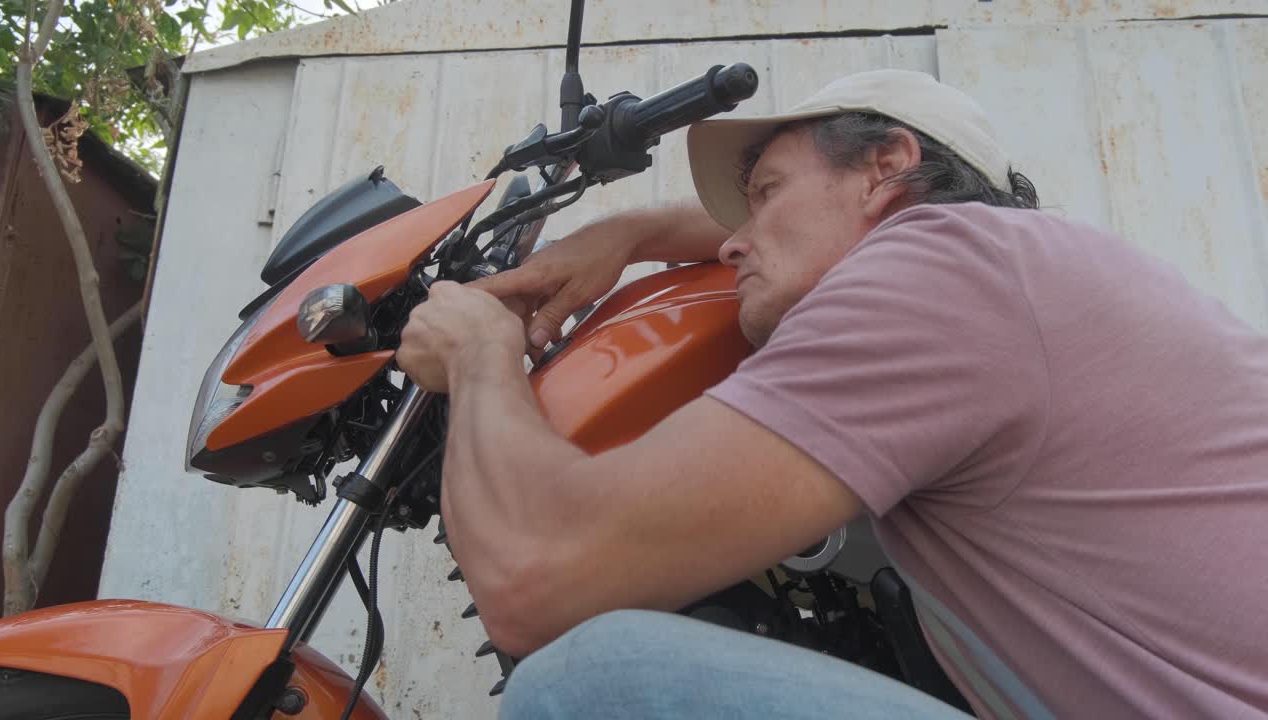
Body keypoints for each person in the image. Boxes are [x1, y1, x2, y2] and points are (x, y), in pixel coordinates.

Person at [395, 69, 1268, 718]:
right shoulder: (1027, 269)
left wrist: (480, 355)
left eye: (764, 194)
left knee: (591, 676)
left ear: (888, 163)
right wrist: (630, 233)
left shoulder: (942, 265)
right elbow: (808, 228)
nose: (733, 245)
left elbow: (540, 581)